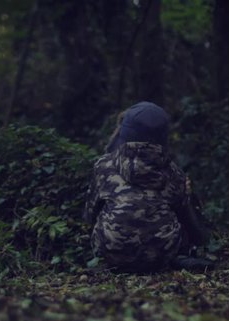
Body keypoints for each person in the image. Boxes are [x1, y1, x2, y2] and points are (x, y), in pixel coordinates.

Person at [83, 101, 211, 273]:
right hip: (163, 255)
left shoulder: (103, 166)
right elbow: (186, 218)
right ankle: (181, 257)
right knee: (181, 206)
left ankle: (105, 260)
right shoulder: (174, 172)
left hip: (112, 253)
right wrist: (187, 195)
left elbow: (89, 216)